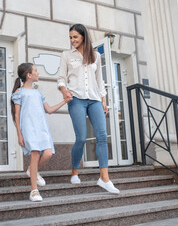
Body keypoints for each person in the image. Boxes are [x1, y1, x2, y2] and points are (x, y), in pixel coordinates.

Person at [58, 23, 120, 194]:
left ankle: (104, 178)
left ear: (83, 36)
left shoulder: (96, 56)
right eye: (70, 37)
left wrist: (103, 101)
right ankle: (75, 171)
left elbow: (100, 80)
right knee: (81, 138)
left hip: (94, 100)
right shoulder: (66, 55)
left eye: (75, 37)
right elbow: (61, 78)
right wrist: (65, 91)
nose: (72, 40)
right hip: (76, 99)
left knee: (101, 135)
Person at [11, 63, 71, 202]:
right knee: (35, 154)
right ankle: (34, 191)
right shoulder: (19, 93)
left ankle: (31, 170)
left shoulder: (38, 93)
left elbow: (49, 110)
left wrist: (65, 101)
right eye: (36, 71)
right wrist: (19, 134)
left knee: (48, 153)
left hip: (42, 128)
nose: (38, 73)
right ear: (29, 75)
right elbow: (17, 115)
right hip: (28, 128)